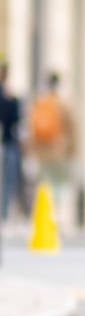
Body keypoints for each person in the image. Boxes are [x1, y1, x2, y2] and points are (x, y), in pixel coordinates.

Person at [28, 72, 75, 213]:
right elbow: (72, 128)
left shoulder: (40, 102)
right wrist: (72, 151)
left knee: (43, 183)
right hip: (59, 150)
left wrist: (32, 149)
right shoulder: (63, 104)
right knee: (58, 183)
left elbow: (32, 127)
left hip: (41, 151)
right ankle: (54, 211)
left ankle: (43, 211)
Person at [0, 65, 22, 223]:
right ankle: (4, 213)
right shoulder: (9, 97)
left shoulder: (10, 96)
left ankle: (4, 212)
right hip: (8, 143)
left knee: (9, 179)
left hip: (8, 142)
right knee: (8, 179)